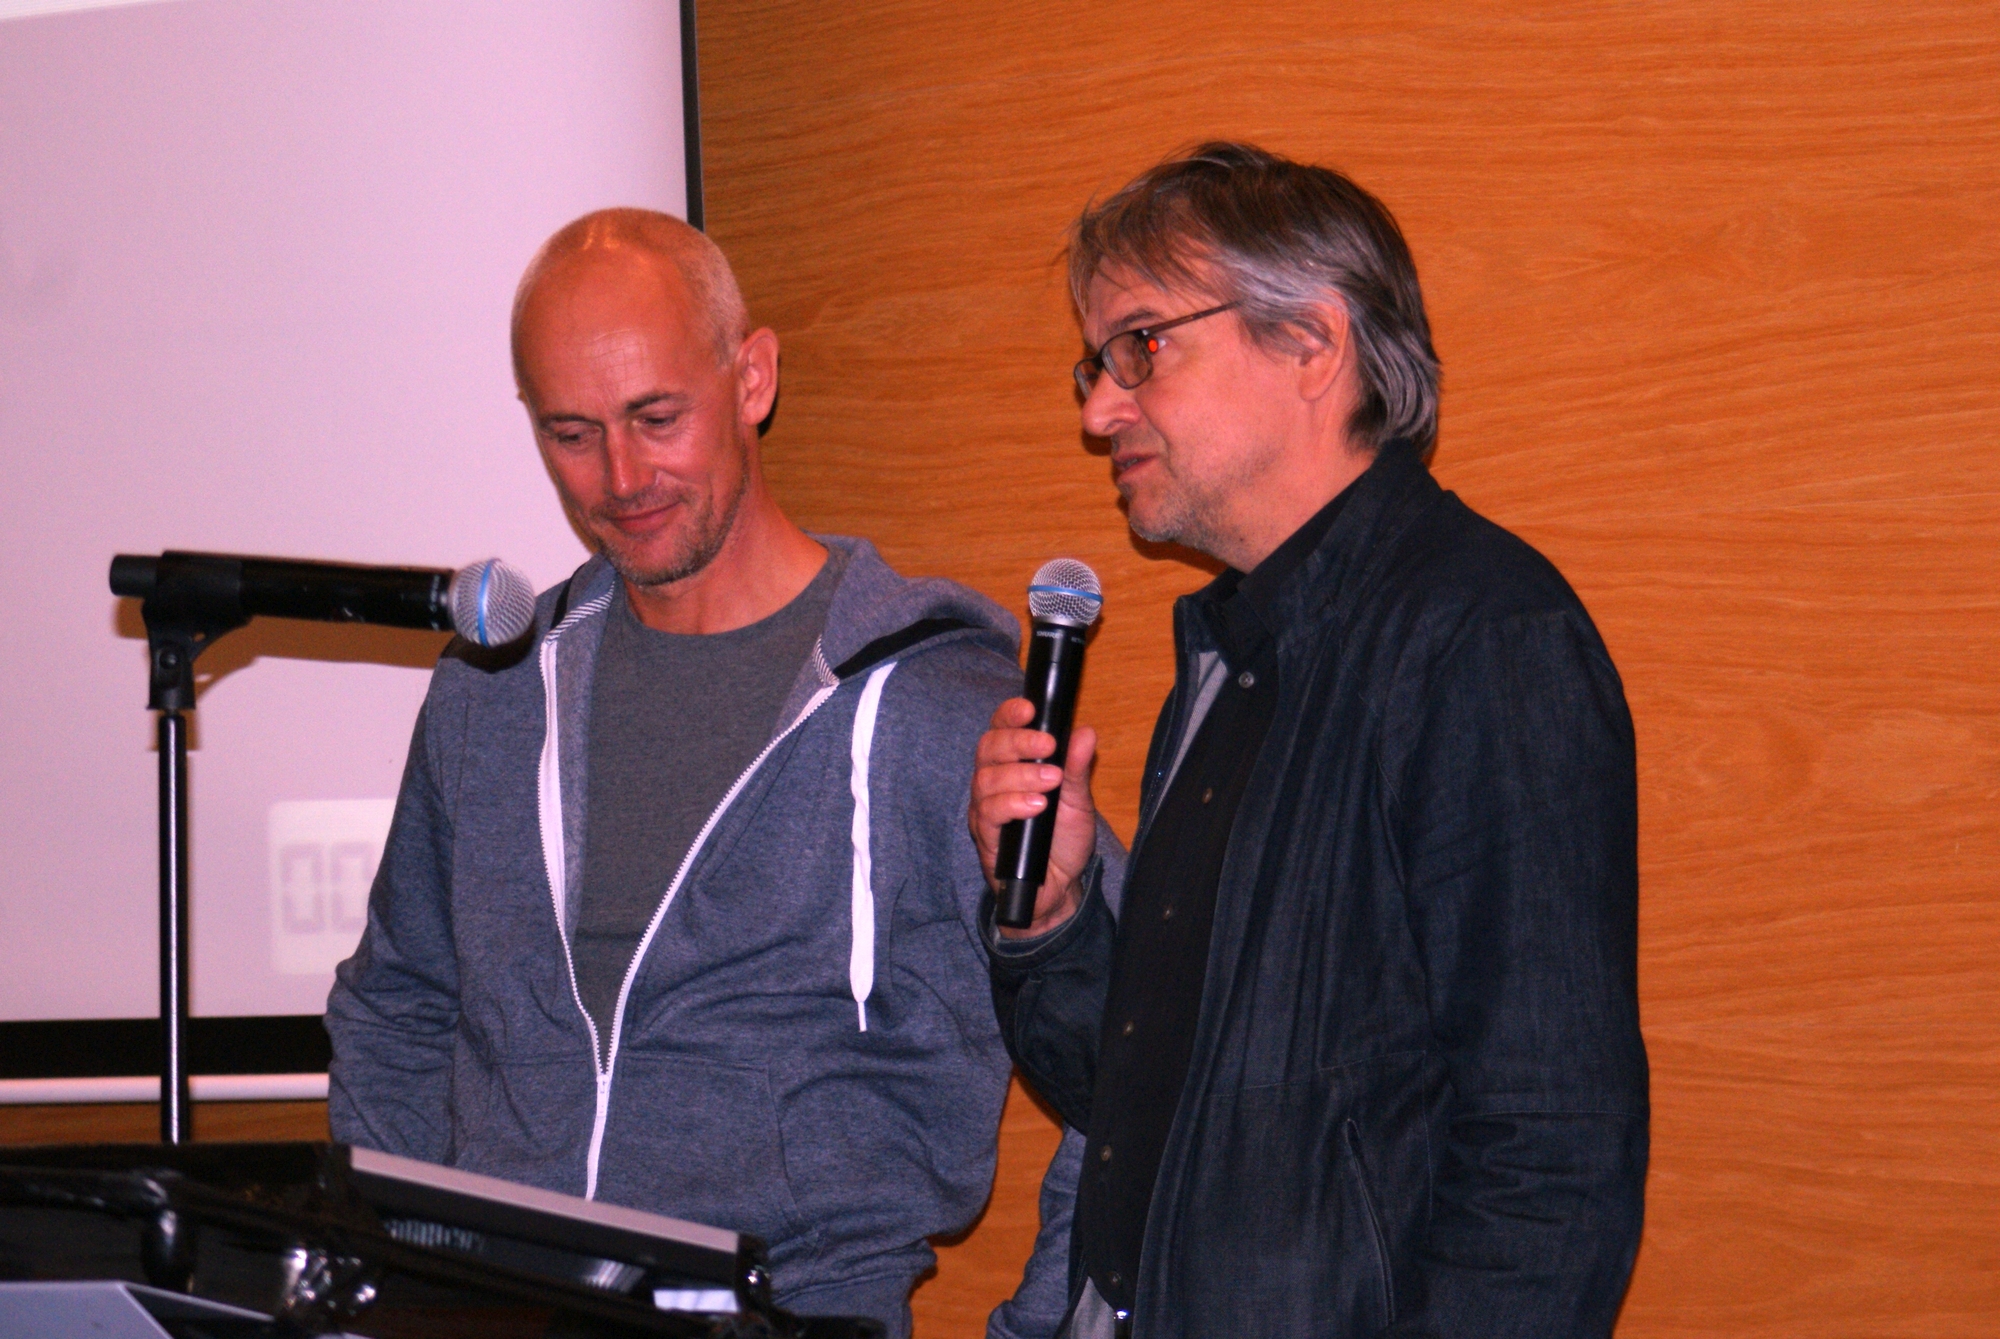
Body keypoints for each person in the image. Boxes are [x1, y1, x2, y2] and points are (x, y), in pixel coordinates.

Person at [327, 208, 1077, 1338]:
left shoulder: (934, 707)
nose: (622, 476)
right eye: (572, 433)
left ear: (752, 377)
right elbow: (397, 1005)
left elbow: (1138, 1048)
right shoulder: (493, 691)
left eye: (656, 417)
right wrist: (402, 1284)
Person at [969, 143, 1649, 1338]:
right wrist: (1052, 920)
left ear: (1311, 345)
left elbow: (1548, 1163)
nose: (1097, 409)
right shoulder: (1229, 659)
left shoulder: (1484, 640)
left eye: (1140, 347)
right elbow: (1148, 1115)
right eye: (1095, 364)